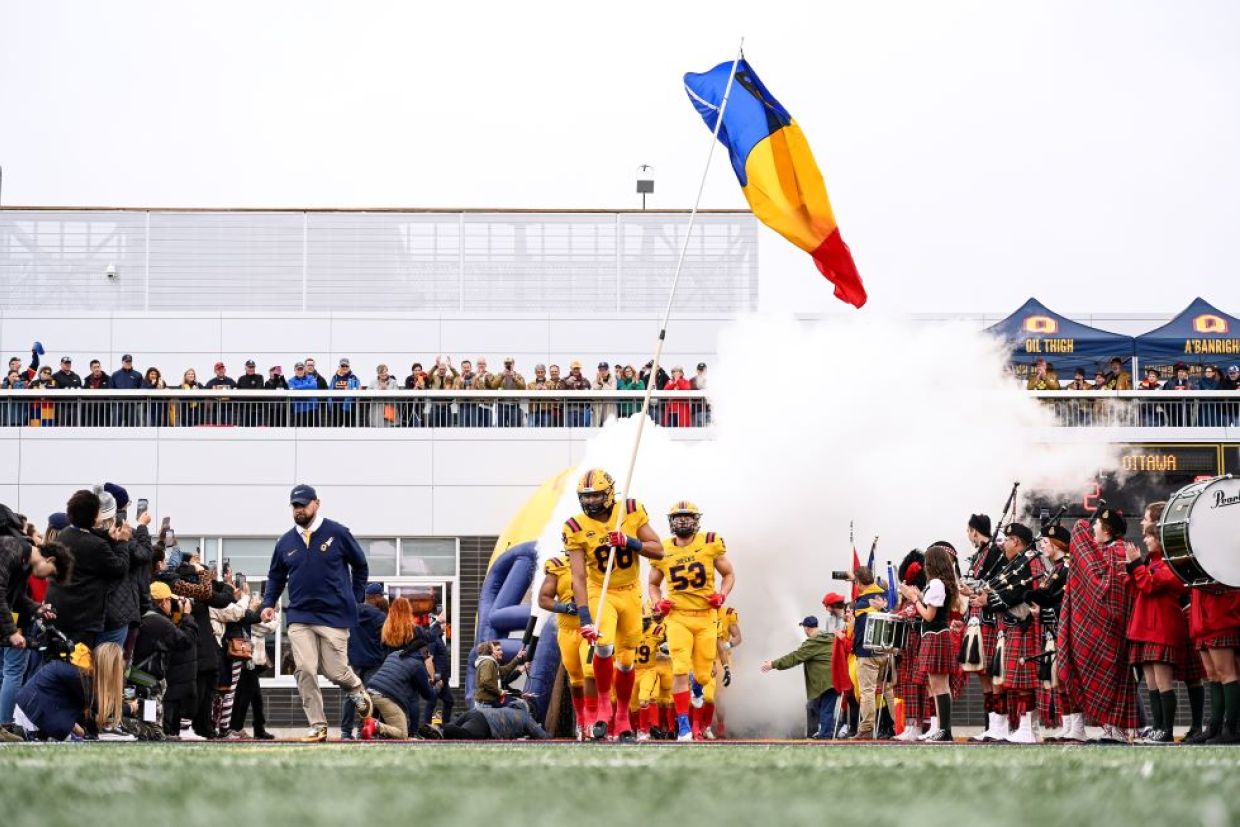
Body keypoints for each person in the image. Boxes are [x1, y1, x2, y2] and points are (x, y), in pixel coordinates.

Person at [261, 484, 372, 742]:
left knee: (336, 672)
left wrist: (355, 598)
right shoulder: (285, 542)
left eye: (303, 504)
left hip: (335, 616)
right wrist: (268, 602)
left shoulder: (338, 533)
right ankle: (317, 725)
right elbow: (276, 576)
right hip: (300, 616)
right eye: (295, 506)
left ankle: (355, 688)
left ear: (317, 504)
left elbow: (361, 565)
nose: (299, 510)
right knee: (305, 668)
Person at [562, 468, 663, 740]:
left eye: (596, 496)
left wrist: (630, 541)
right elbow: (579, 576)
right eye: (586, 496)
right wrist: (584, 618)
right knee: (604, 646)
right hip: (600, 591)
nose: (591, 501)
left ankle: (622, 718)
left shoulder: (629, 511)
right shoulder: (575, 526)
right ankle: (604, 704)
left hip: (630, 592)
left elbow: (659, 549)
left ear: (609, 493)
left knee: (627, 662)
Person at [648, 500, 734, 740]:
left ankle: (697, 688)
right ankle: (684, 726)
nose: (682, 521)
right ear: (670, 522)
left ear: (696, 520)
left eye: (687, 517)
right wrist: (657, 602)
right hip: (678, 617)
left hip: (707, 617)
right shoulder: (663, 549)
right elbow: (653, 584)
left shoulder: (709, 542)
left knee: (705, 675)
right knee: (679, 670)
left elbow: (728, 573)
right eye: (678, 517)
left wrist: (722, 594)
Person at [1057, 506, 1140, 743]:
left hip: (1115, 626)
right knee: (1107, 677)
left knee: (1115, 677)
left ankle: (1116, 728)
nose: (1092, 528)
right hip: (1105, 627)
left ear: (1107, 530)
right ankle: (1108, 727)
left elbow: (1107, 587)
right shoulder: (1103, 551)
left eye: (1097, 525)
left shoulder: (1118, 551)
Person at [0, 532, 74, 729]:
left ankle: (3, 726)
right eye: (51, 573)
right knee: (12, 671)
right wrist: (12, 631)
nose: (48, 579)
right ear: (49, 559)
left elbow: (18, 597)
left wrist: (38, 609)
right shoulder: (11, 549)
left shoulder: (23, 562)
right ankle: (5, 724)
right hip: (8, 625)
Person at [981, 523, 1045, 743]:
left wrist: (988, 601)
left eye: (1007, 539)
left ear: (1016, 541)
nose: (1003, 544)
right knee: (1016, 681)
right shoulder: (1019, 562)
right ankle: (1029, 728)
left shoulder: (1028, 561)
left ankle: (1028, 728)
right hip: (1013, 625)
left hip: (1023, 624)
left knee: (1024, 681)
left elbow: (1021, 593)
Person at [1125, 523, 1188, 743]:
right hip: (1145, 628)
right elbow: (1136, 586)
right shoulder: (1150, 562)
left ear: (1160, 539)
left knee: (1163, 682)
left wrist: (1136, 565)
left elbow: (1150, 585)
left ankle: (1166, 730)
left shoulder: (1170, 563)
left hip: (1162, 627)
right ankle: (1157, 727)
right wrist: (1134, 567)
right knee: (1151, 683)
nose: (1145, 540)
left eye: (1149, 536)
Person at [44, 489, 128, 647]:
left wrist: (107, 537)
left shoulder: (64, 534)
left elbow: (85, 539)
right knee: (77, 665)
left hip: (58, 610)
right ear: (95, 515)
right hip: (81, 618)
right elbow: (120, 568)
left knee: (57, 659)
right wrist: (122, 542)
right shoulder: (96, 545)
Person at [899, 544, 961, 742]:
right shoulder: (940, 583)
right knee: (938, 686)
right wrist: (918, 596)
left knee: (939, 686)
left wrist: (914, 599)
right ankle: (943, 728)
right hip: (937, 635)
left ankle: (945, 729)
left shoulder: (936, 584)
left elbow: (928, 614)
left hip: (935, 635)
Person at [14, 642, 129, 741]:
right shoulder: (81, 677)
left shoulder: (81, 669)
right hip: (31, 718)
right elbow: (102, 709)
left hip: (32, 710)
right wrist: (130, 708)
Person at [960, 513, 1006, 741]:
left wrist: (974, 591)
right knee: (982, 673)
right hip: (976, 619)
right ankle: (991, 725)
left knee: (991, 671)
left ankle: (1000, 724)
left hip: (989, 617)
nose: (968, 535)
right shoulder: (980, 554)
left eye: (968, 531)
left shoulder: (996, 553)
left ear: (975, 531)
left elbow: (998, 586)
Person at [538, 553, 592, 737]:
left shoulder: (597, 561)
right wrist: (564, 607)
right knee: (576, 678)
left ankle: (592, 719)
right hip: (568, 630)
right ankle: (582, 721)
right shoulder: (558, 566)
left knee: (591, 671)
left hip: (591, 628)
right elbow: (543, 598)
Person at [132, 581, 197, 734]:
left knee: (146, 724)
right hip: (148, 682)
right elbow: (186, 641)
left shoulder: (144, 616)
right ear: (163, 602)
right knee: (151, 730)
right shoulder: (158, 621)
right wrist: (187, 616)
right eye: (170, 600)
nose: (173, 604)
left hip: (138, 676)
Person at [761, 616, 835, 739]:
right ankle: (819, 734)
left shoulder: (813, 642)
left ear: (806, 628)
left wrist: (773, 664)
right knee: (815, 707)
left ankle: (825, 736)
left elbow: (795, 657)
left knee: (824, 709)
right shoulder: (830, 637)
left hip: (823, 682)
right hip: (833, 680)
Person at [851, 565, 896, 739]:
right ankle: (898, 725)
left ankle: (867, 728)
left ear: (858, 582)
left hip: (866, 652)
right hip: (886, 651)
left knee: (867, 691)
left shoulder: (861, 602)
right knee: (889, 691)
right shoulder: (885, 595)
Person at [362, 634, 435, 739]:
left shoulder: (395, 654)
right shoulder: (417, 665)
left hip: (368, 692)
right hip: (383, 697)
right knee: (402, 734)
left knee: (389, 725)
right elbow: (428, 695)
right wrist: (436, 687)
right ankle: (375, 725)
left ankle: (368, 730)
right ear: (424, 653)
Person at [342, 583, 389, 739]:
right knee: (371, 697)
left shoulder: (352, 612)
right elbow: (386, 641)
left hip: (355, 662)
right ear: (375, 598)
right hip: (374, 662)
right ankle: (364, 730)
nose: (383, 599)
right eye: (381, 596)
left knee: (352, 696)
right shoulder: (381, 617)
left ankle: (346, 732)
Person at [440, 704, 549, 740]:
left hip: (475, 712)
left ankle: (438, 728)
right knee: (465, 734)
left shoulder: (510, 708)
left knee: (446, 732)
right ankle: (446, 729)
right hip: (484, 723)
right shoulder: (526, 717)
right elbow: (542, 736)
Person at [472, 639, 528, 708]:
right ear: (490, 652)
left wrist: (518, 658)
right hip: (486, 705)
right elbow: (486, 682)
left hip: (488, 704)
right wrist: (500, 691)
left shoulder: (492, 663)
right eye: (498, 650)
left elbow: (505, 670)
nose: (501, 652)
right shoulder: (488, 663)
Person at [592, 361, 616, 426]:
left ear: (608, 370)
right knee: (597, 425)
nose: (602, 372)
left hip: (609, 406)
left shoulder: (613, 380)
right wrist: (598, 383)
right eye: (600, 370)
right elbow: (593, 391)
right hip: (598, 407)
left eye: (604, 369)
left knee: (609, 425)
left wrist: (603, 384)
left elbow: (613, 391)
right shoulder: (595, 381)